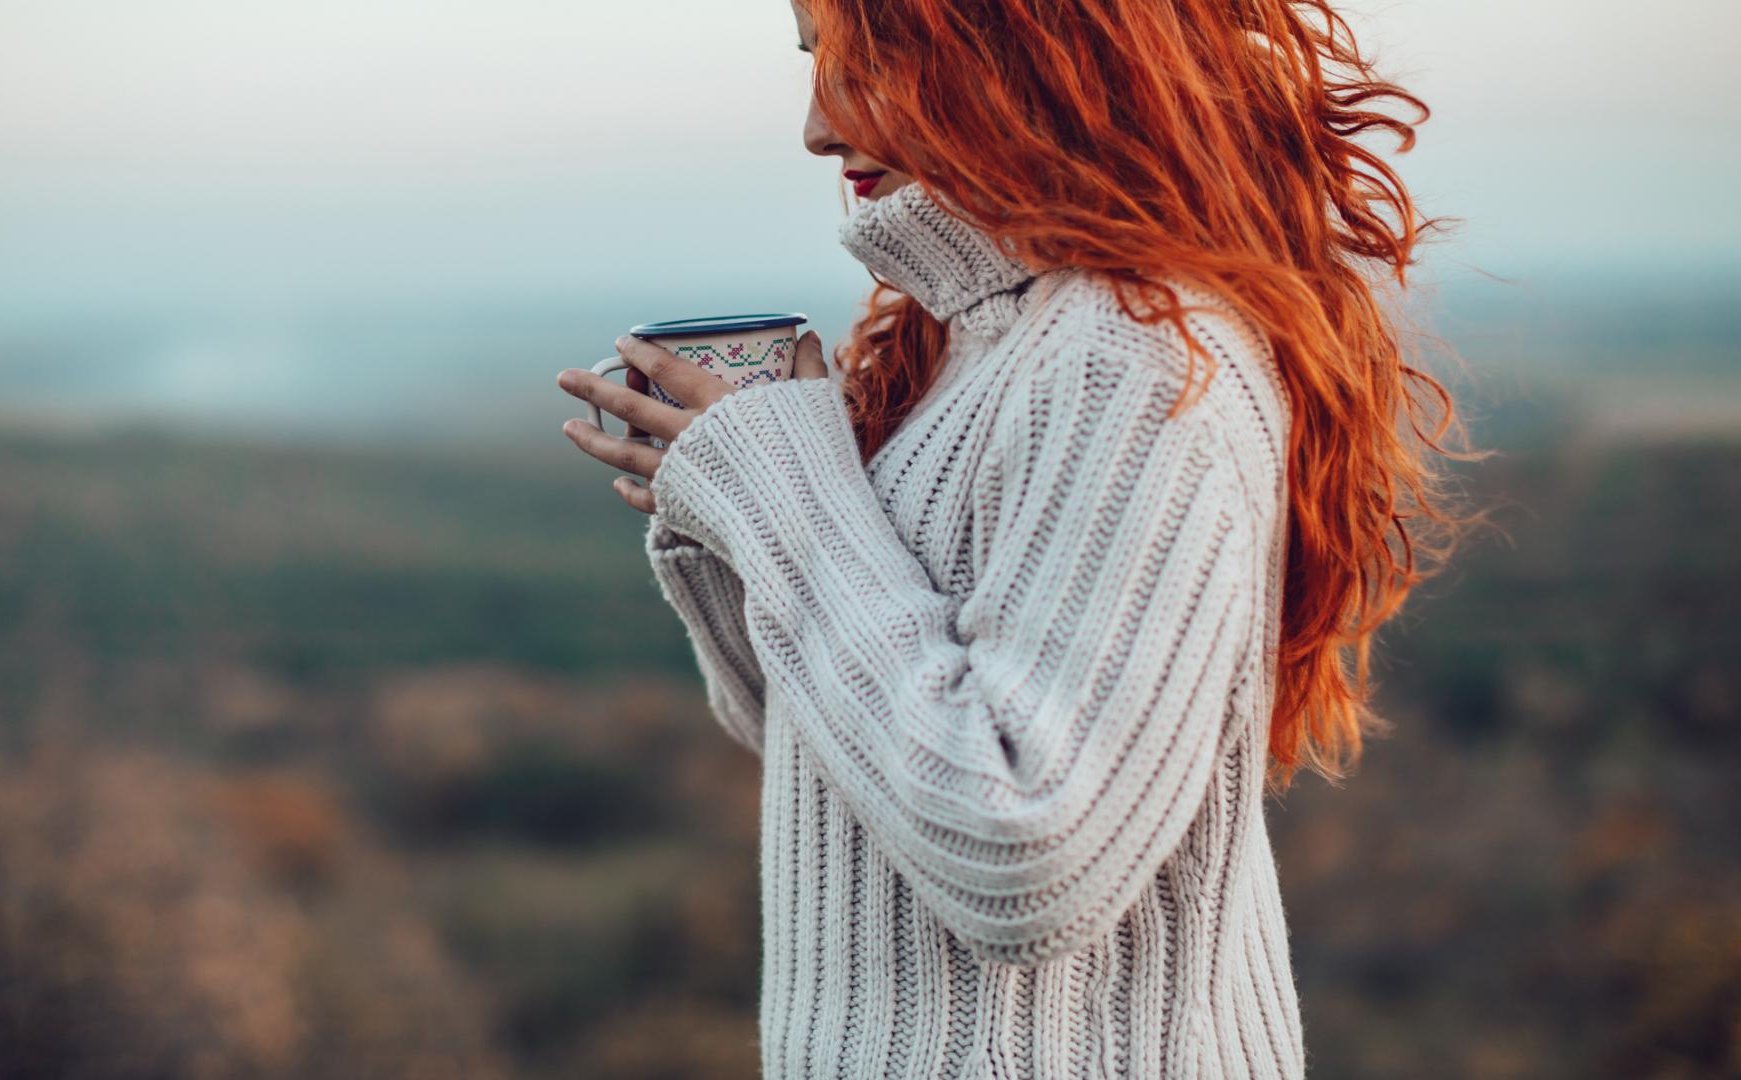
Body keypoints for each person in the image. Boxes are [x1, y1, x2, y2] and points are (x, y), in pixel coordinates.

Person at [554, 1, 1480, 1075]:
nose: (817, 124)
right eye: (817, 65)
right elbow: (827, 748)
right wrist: (736, 506)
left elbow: (1023, 849)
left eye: (872, 61)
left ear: (1035, 50)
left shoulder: (1127, 358)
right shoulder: (968, 342)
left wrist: (789, 502)